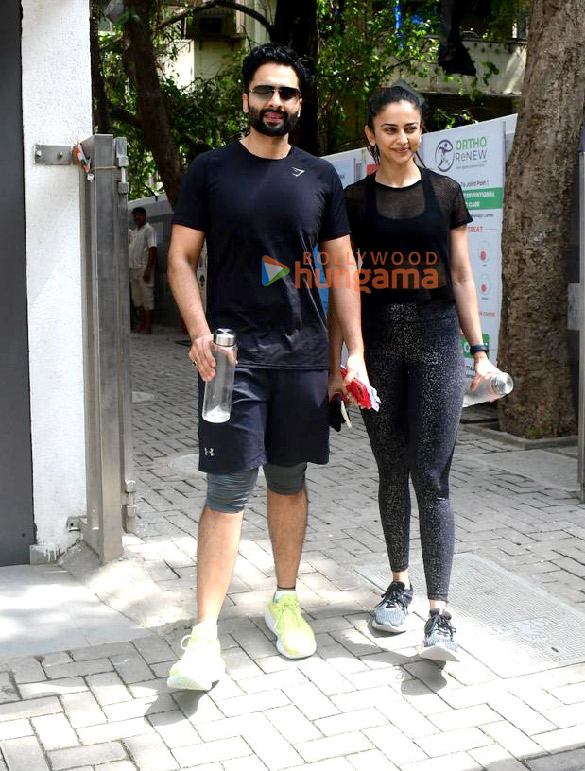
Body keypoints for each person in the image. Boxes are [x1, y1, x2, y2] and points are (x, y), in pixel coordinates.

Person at [166, 42, 367, 691]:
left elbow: (342, 270)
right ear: (246, 97)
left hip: (304, 360)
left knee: (288, 482)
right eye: (264, 91)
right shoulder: (210, 170)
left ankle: (285, 598)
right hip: (229, 358)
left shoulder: (320, 178)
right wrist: (198, 332)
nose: (274, 102)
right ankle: (203, 634)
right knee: (226, 489)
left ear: (299, 106)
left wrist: (350, 354)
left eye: (286, 93)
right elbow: (179, 259)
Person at [331, 86, 497, 661]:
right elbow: (343, 286)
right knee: (390, 468)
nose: (403, 140)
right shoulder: (351, 201)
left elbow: (460, 274)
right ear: (371, 136)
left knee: (433, 475)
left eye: (412, 129)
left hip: (435, 344)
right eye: (391, 130)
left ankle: (440, 614)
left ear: (421, 132)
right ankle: (399, 583)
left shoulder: (447, 193)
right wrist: (342, 362)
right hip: (376, 349)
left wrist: (478, 350)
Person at [129, 206, 157, 334]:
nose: (137, 217)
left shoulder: (149, 230)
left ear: (145, 216)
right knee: (137, 299)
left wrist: (147, 271)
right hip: (134, 270)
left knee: (147, 299)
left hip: (144, 270)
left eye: (139, 215)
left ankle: (148, 327)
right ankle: (142, 325)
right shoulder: (134, 232)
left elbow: (152, 250)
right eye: (135, 215)